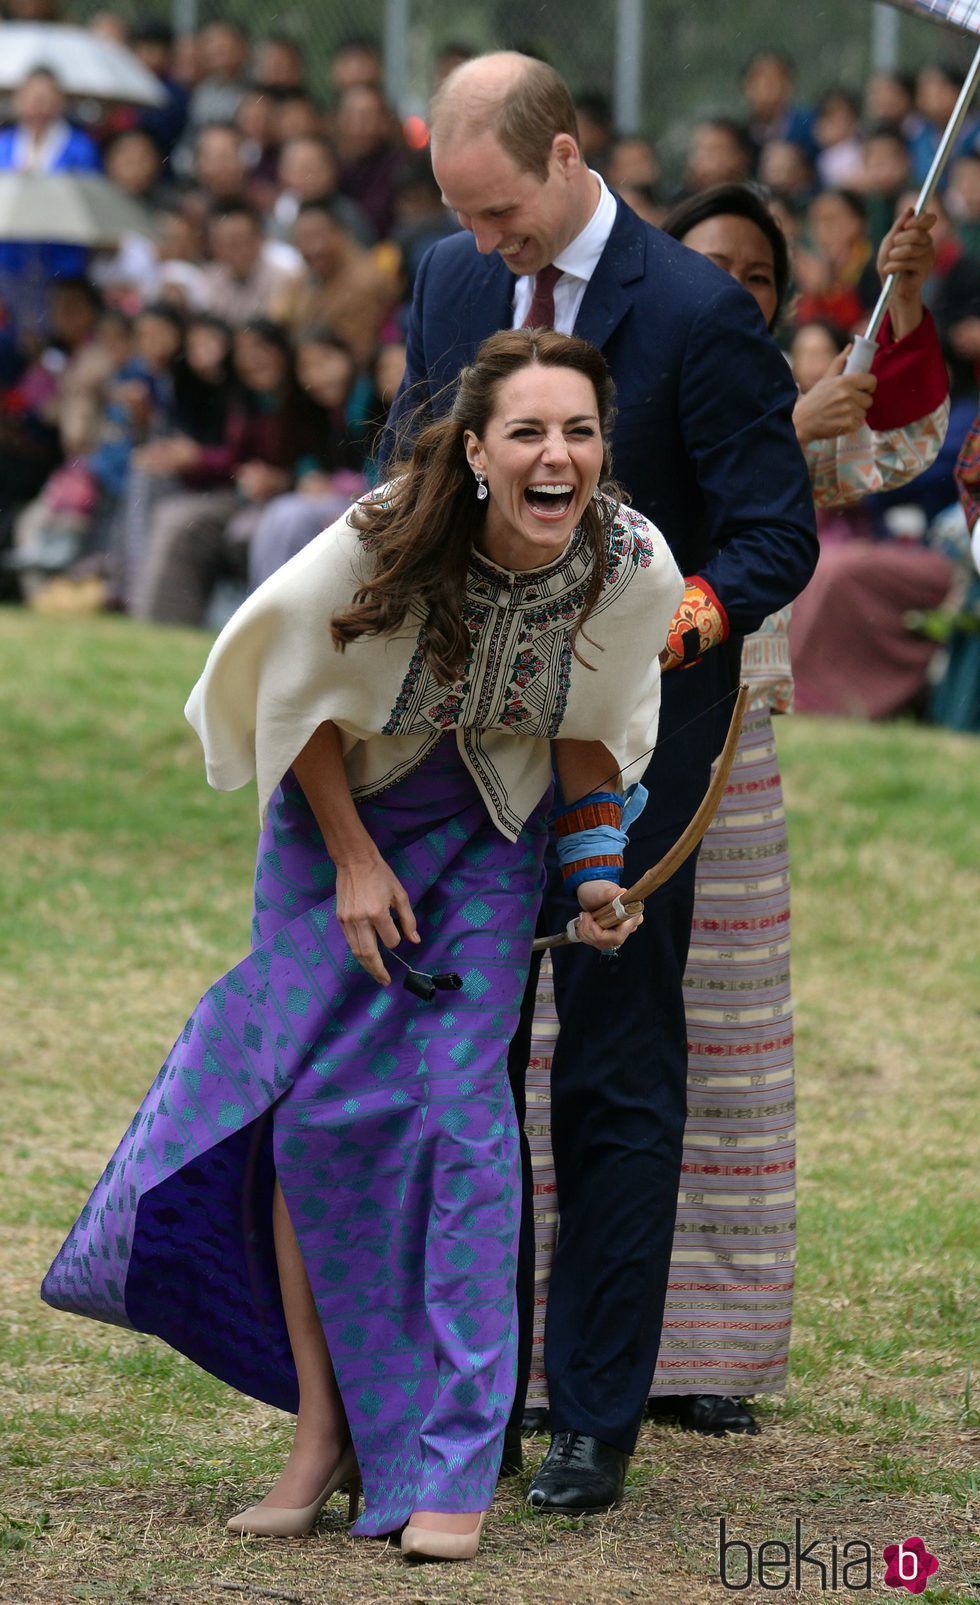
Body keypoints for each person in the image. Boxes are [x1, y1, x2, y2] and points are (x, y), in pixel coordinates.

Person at [41, 327, 683, 1561]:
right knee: (319, 1119)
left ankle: (447, 1463)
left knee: (457, 1122)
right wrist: (348, 857)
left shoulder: (629, 562)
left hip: (490, 837)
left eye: (581, 431)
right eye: (529, 433)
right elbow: (291, 699)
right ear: (480, 449)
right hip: (336, 825)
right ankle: (321, 1440)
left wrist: (596, 880)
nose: (558, 456)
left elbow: (594, 732)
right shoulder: (382, 538)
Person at [388, 50, 818, 1514]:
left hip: (636, 759)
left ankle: (593, 1412)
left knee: (619, 1071)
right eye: (460, 210)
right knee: (468, 1071)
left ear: (567, 156)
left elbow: (773, 537)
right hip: (461, 749)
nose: (484, 239)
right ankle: (477, 1395)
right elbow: (404, 461)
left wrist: (663, 629)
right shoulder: (449, 281)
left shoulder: (697, 313)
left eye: (500, 209)